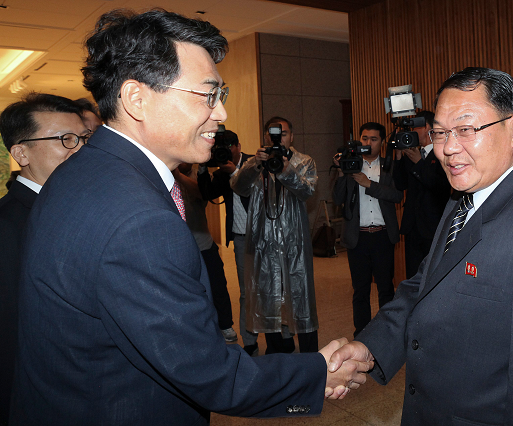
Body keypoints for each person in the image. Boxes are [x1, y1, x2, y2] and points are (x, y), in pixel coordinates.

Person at [10, 10, 371, 426]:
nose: (221, 114)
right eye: (208, 95)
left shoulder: (85, 171)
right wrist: (318, 373)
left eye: (222, 96)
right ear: (136, 99)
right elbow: (209, 373)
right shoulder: (138, 219)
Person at [328, 67, 513, 425]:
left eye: (467, 129)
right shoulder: (463, 196)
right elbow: (423, 287)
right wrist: (370, 346)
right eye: (440, 132)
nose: (449, 148)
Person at [0, 93, 87, 425]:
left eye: (83, 139)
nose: (79, 149)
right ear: (21, 152)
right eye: (65, 140)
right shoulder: (8, 226)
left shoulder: (83, 208)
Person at [230, 116, 319, 354]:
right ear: (265, 137)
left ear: (292, 136)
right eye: (273, 134)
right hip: (264, 242)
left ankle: (310, 356)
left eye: (285, 133)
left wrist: (286, 169)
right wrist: (254, 164)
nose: (279, 138)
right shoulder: (255, 163)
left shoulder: (304, 162)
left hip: (294, 242)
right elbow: (238, 187)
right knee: (268, 294)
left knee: (300, 295)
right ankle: (279, 351)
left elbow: (307, 191)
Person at [333, 122, 403, 337]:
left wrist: (369, 184)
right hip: (358, 238)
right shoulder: (350, 165)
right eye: (364, 138)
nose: (368, 143)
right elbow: (337, 199)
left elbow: (397, 195)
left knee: (385, 289)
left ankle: (386, 333)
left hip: (382, 235)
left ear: (381, 142)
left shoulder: (389, 165)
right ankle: (361, 334)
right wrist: (341, 170)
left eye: (373, 139)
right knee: (360, 290)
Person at [197, 129, 258, 354]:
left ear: (238, 146)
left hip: (264, 236)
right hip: (241, 237)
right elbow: (207, 194)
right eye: (220, 148)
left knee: (272, 290)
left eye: (230, 146)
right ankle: (250, 342)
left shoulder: (254, 164)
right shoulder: (221, 169)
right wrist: (204, 167)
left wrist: (236, 173)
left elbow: (256, 198)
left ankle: (280, 337)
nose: (226, 151)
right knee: (245, 293)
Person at [175, 163, 236, 343]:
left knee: (218, 285)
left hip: (203, 241)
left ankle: (225, 325)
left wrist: (178, 175)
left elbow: (202, 194)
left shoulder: (199, 174)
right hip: (180, 244)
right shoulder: (164, 173)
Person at [392, 110, 451, 279]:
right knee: (413, 276)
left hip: (434, 227)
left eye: (414, 127)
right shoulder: (412, 153)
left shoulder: (443, 153)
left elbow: (439, 186)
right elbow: (400, 184)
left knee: (433, 275)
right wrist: (398, 156)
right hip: (413, 227)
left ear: (427, 127)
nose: (410, 132)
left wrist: (419, 162)